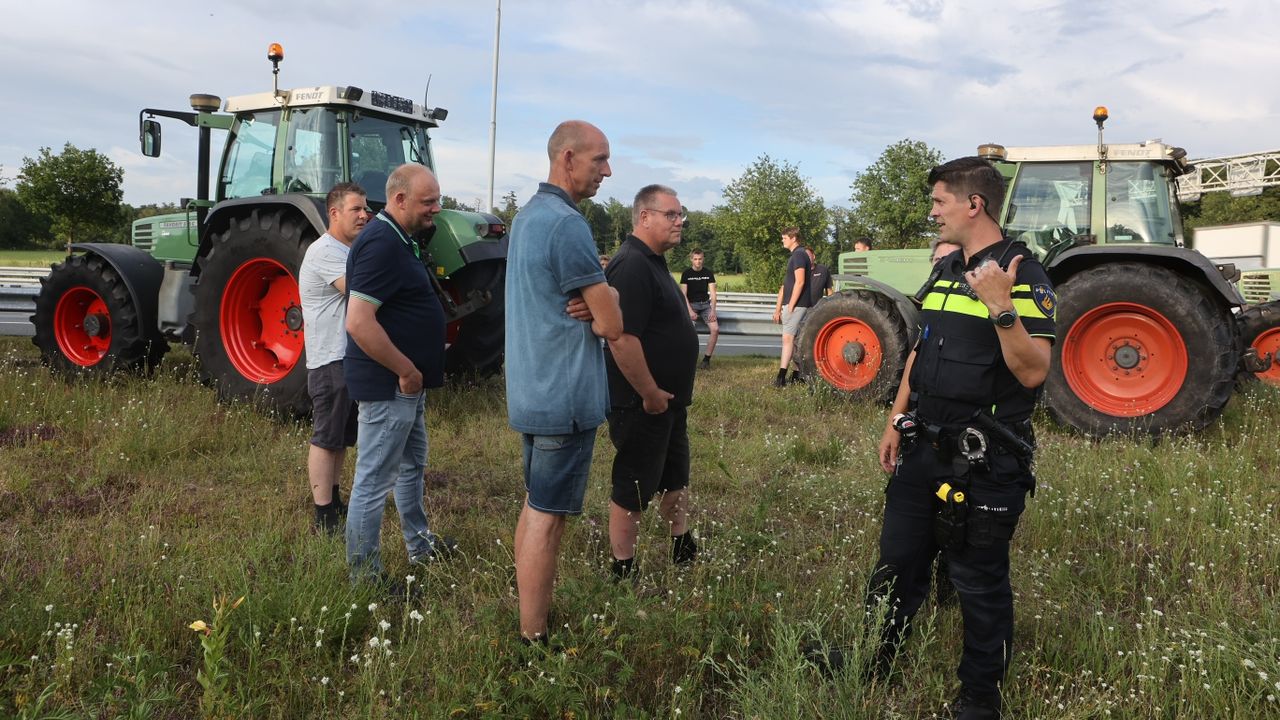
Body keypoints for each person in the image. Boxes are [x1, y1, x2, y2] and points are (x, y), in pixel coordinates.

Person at [869, 157, 1055, 719]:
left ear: (974, 205)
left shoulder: (1022, 273)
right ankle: (874, 661)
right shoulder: (948, 270)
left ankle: (980, 699)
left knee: (979, 583)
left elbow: (1033, 372)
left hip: (984, 458)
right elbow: (922, 351)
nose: (932, 213)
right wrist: (894, 419)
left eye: (939, 202)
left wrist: (1001, 306)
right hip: (922, 445)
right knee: (896, 565)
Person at [506, 120, 623, 644]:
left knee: (535, 506)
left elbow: (589, 307)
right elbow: (612, 325)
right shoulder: (567, 224)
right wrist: (607, 299)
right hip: (565, 397)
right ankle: (533, 637)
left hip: (532, 390)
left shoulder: (527, 217)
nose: (607, 170)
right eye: (599, 159)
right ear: (568, 158)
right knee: (547, 518)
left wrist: (596, 300)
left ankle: (531, 623)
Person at [344, 164, 457, 586]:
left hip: (407, 386)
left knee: (411, 467)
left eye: (437, 199)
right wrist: (406, 370)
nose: (437, 209)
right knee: (373, 482)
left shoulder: (400, 238)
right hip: (390, 384)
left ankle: (420, 545)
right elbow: (359, 322)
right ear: (400, 199)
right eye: (428, 202)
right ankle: (364, 579)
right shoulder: (379, 243)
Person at [605, 185, 700, 580]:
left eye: (681, 216)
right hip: (643, 401)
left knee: (675, 474)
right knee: (635, 482)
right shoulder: (631, 265)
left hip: (669, 400)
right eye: (671, 215)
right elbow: (622, 337)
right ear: (645, 217)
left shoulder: (654, 261)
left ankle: (682, 545)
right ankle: (623, 566)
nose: (679, 222)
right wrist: (649, 392)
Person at [299, 182, 368, 534]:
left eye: (365, 208)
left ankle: (335, 500)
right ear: (334, 213)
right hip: (329, 360)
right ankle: (323, 514)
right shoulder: (325, 251)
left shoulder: (348, 251)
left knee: (341, 437)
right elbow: (363, 290)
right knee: (327, 437)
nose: (364, 214)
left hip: (347, 358)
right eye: (356, 209)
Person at [770, 227, 812, 387]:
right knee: (792, 341)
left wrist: (791, 306)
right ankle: (796, 375)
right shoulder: (798, 255)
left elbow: (800, 281)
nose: (782, 240)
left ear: (793, 238)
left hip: (797, 305)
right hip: (796, 304)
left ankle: (781, 378)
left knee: (787, 339)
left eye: (784, 238)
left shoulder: (799, 255)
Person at [679, 249, 719, 369]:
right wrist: (690, 311)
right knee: (688, 333)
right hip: (691, 305)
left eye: (700, 259)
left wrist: (713, 310)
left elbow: (713, 294)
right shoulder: (686, 274)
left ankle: (706, 360)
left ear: (703, 259)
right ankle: (687, 360)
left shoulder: (708, 273)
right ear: (691, 259)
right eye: (695, 259)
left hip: (706, 306)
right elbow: (683, 295)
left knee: (715, 329)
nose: (698, 261)